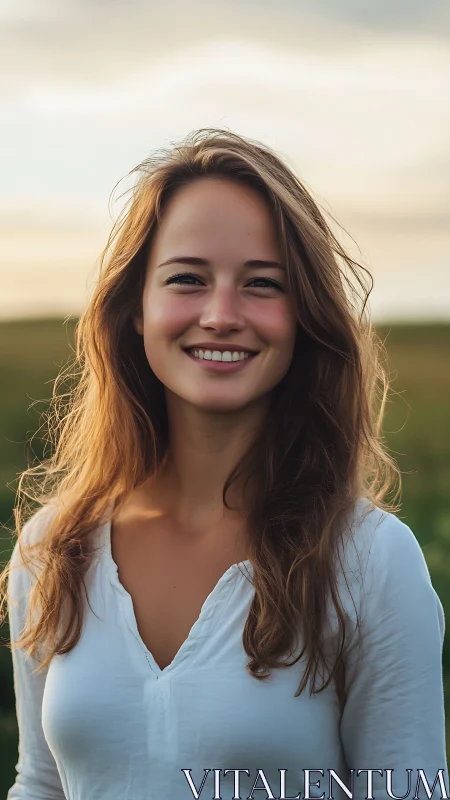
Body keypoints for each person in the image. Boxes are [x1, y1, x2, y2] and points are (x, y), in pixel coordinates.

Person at [2, 128, 448, 800]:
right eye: (187, 279)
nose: (220, 315)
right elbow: (41, 783)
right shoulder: (54, 548)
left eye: (262, 284)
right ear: (136, 308)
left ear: (303, 317)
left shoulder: (370, 560)